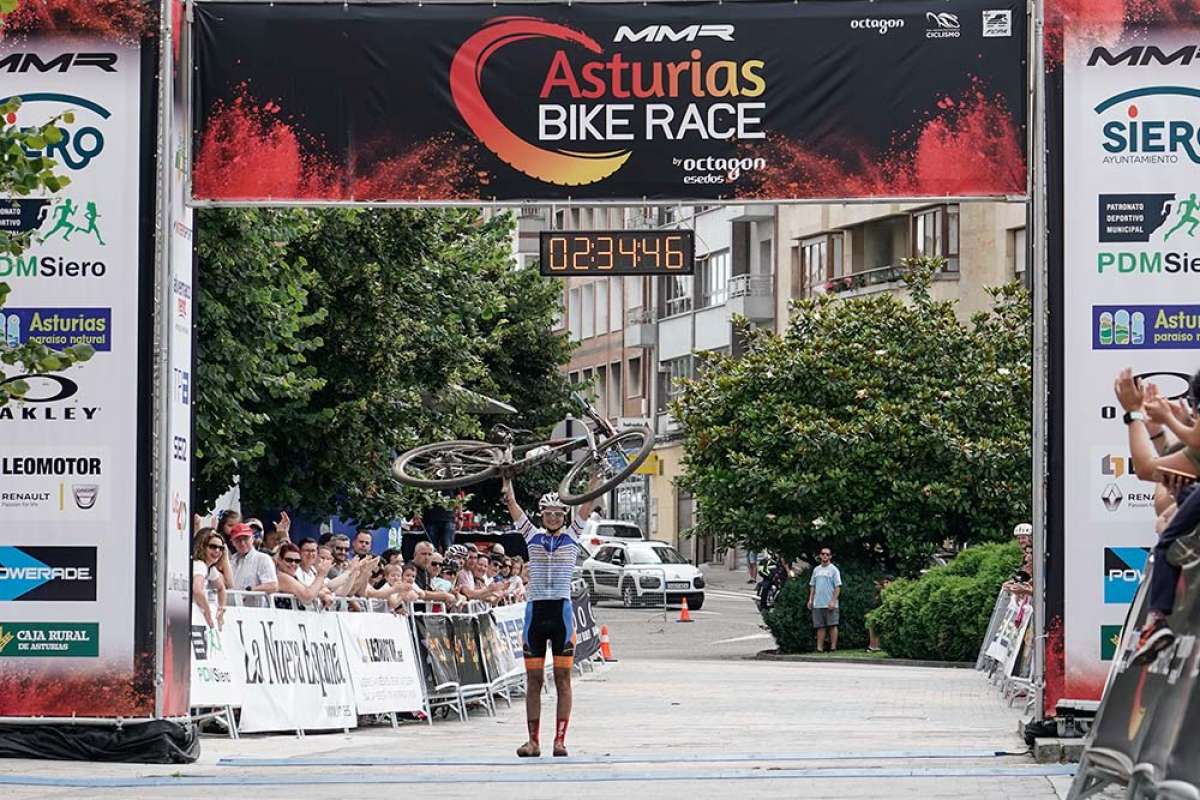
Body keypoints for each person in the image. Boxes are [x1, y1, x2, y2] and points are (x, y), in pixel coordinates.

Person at [502, 470, 602, 758]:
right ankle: (533, 741)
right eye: (548, 513)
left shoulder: (573, 534)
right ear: (541, 515)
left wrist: (596, 476)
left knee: (563, 679)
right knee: (533, 681)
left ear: (565, 516)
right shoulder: (531, 536)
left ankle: (560, 740)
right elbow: (511, 502)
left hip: (561, 612)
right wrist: (506, 477)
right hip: (536, 613)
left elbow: (589, 500)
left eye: (559, 513)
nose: (554, 518)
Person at [191, 528, 228, 629]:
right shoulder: (200, 565)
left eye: (221, 548)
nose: (217, 551)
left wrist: (221, 608)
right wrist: (208, 613)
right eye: (212, 547)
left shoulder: (210, 568)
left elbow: (222, 588)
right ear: (203, 547)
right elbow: (197, 590)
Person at [275, 542, 332, 608]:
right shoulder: (281, 576)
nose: (293, 564)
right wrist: (321, 574)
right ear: (279, 560)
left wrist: (323, 594)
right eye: (289, 560)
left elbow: (307, 588)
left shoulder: (293, 577)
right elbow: (307, 596)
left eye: (297, 561)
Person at [808, 547, 842, 653]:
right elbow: (812, 586)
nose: (825, 556)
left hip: (830, 603)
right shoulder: (816, 570)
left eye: (827, 554)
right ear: (820, 556)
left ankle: (833, 647)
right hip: (818, 603)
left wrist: (833, 601)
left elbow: (837, 587)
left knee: (832, 625)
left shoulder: (834, 570)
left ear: (830, 556)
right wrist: (810, 600)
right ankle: (819, 648)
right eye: (823, 554)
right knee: (820, 626)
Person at [229, 522, 278, 593]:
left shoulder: (263, 559)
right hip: (230, 604)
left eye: (245, 538)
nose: (242, 543)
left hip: (253, 604)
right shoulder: (231, 560)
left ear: (252, 539)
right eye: (238, 539)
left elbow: (273, 586)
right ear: (232, 542)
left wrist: (250, 590)